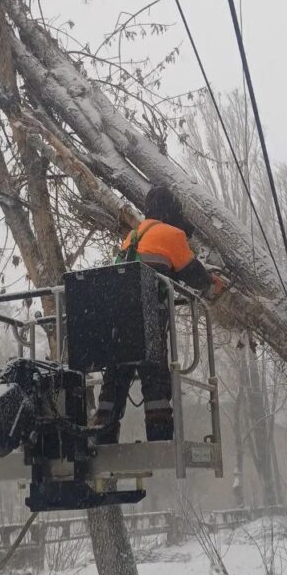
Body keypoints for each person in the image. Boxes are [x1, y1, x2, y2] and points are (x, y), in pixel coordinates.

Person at [91, 187, 223, 444]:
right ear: (171, 211)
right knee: (154, 374)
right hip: (147, 313)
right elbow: (192, 272)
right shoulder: (172, 234)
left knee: (116, 375)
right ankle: (159, 433)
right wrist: (211, 284)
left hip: (117, 319)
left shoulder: (133, 235)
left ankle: (103, 432)